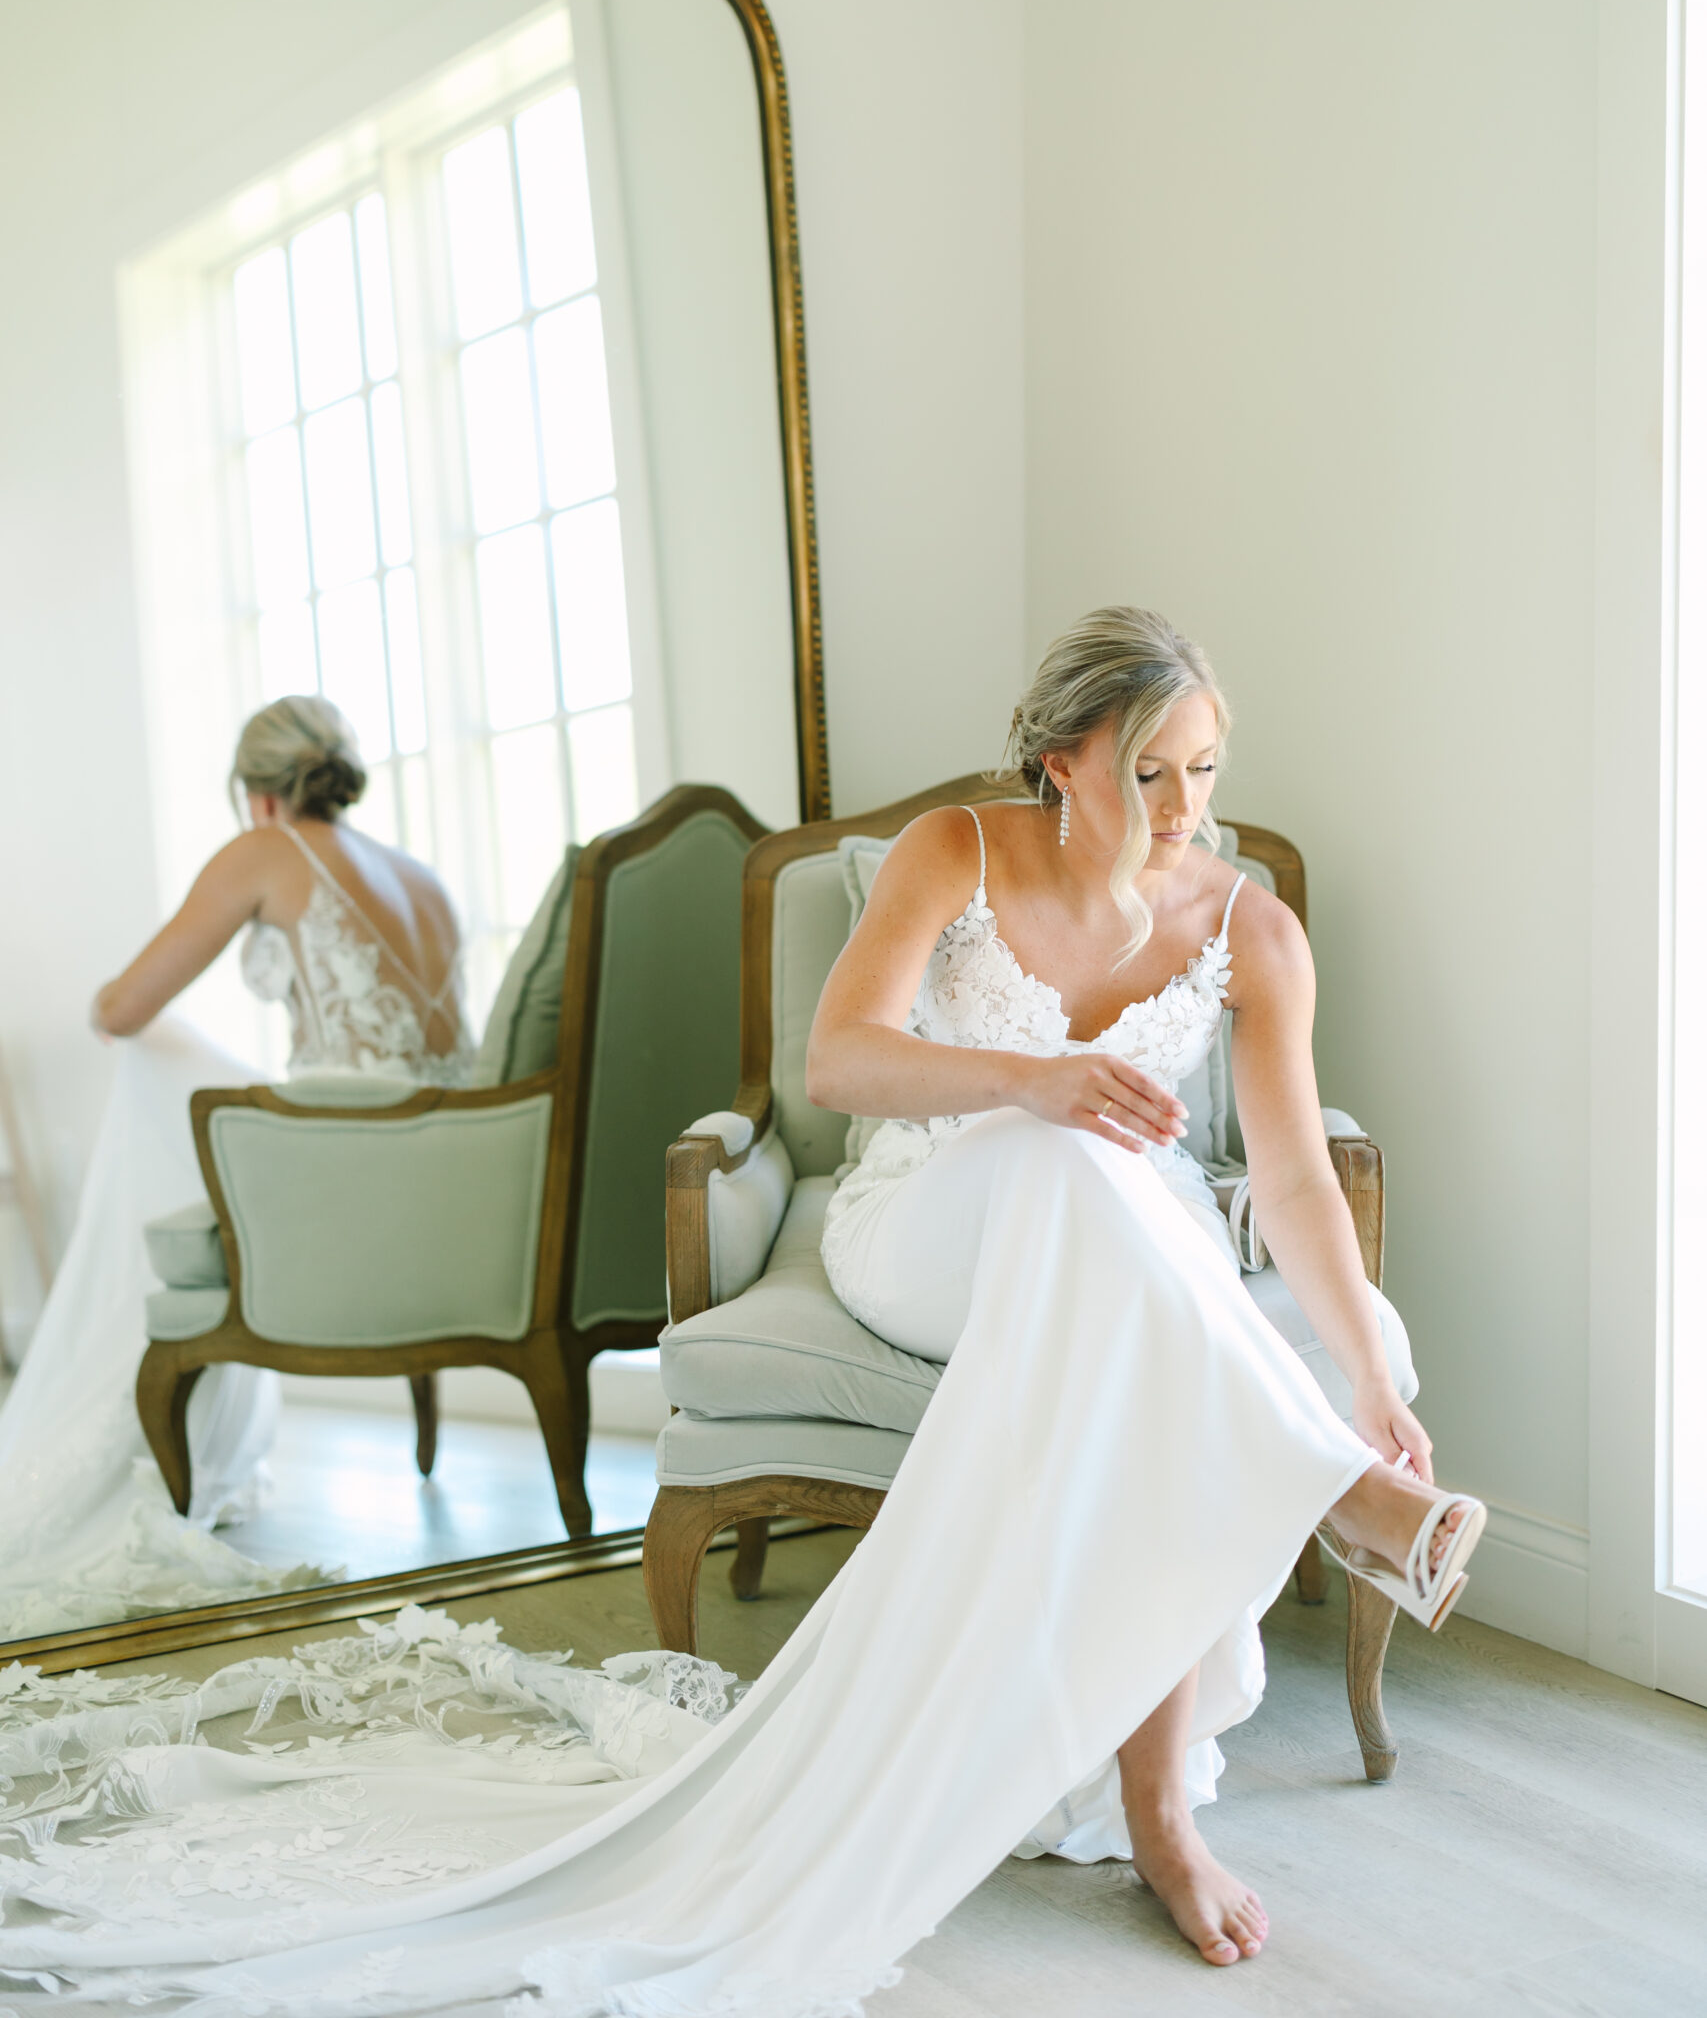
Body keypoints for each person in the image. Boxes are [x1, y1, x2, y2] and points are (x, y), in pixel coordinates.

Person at [0, 618, 1482, 2012]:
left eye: (1205, 768)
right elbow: (835, 1064)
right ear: (1063, 762)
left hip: (1112, 1242)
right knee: (1065, 1160)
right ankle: (1333, 1500)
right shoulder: (950, 850)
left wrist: (1362, 1370)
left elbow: (1288, 1178)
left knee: (1128, 1228)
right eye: (1148, 771)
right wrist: (1029, 1082)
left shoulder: (1247, 928)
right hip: (922, 1212)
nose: (1183, 805)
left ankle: (1168, 1797)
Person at [0, 696, 470, 1641]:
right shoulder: (418, 875)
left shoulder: (267, 851)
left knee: (144, 1050)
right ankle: (193, 1430)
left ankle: (141, 1407)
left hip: (335, 1176)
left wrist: (96, 1000)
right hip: (448, 1178)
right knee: (211, 1088)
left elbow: (125, 1006)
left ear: (256, 791)